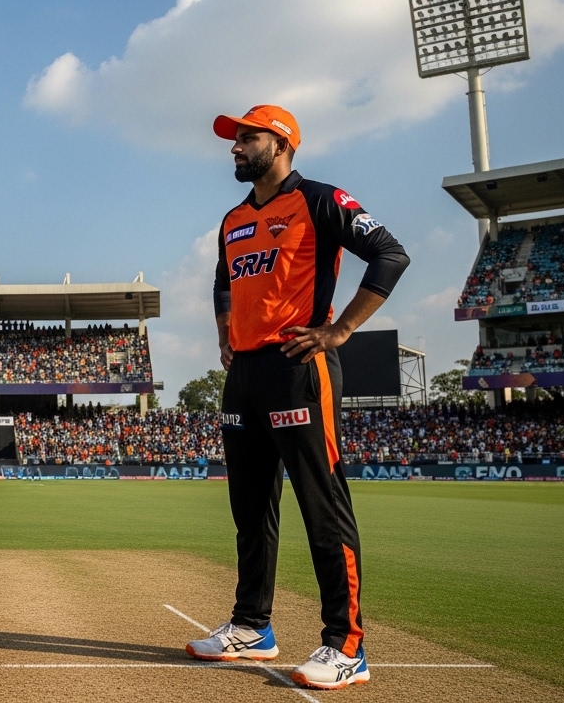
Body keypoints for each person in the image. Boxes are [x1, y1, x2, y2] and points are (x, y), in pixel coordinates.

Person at [184, 105, 409, 691]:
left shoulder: (321, 200)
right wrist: (223, 333)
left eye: (246, 138)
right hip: (245, 375)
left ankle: (347, 644)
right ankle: (251, 626)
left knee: (321, 505)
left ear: (280, 144)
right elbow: (223, 280)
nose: (235, 148)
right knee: (249, 509)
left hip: (299, 367)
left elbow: (391, 254)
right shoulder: (233, 218)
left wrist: (339, 331)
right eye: (234, 140)